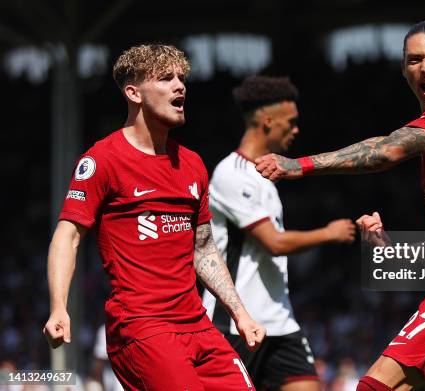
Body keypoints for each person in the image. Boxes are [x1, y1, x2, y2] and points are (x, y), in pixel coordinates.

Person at [255, 21, 425, 390]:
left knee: (375, 385)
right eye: (415, 60)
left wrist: (299, 165)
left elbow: (390, 148)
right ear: (403, 69)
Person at [43, 44, 265, 391]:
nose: (180, 86)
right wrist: (59, 307)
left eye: (181, 77)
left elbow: (203, 248)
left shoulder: (192, 163)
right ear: (133, 93)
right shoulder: (103, 159)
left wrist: (240, 314)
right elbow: (67, 235)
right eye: (165, 78)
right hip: (143, 326)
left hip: (198, 324)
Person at [203, 75, 356, 391]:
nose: (297, 129)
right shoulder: (231, 173)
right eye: (292, 122)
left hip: (280, 323)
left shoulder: (267, 176)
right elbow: (273, 242)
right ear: (268, 122)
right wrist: (329, 233)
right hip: (233, 324)